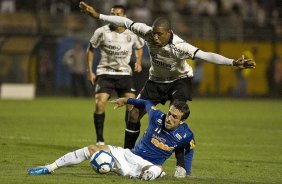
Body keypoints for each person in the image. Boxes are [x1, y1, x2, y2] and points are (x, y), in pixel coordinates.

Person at [79, 1, 256, 149]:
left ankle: (181, 162)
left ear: (169, 33)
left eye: (159, 34)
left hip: (179, 80)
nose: (155, 37)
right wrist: (98, 16)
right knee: (133, 115)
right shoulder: (147, 32)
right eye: (154, 33)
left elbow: (206, 55)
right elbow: (124, 22)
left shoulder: (180, 46)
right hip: (155, 81)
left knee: (175, 114)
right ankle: (127, 155)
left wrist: (233, 62)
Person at [28, 98, 195, 180]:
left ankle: (147, 176)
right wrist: (127, 100)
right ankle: (49, 167)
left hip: (146, 165)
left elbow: (189, 149)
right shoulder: (157, 116)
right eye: (169, 113)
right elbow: (145, 103)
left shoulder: (186, 135)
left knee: (157, 168)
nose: (169, 118)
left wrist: (185, 170)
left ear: (182, 121)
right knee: (93, 148)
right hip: (129, 155)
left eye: (174, 117)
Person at [86, 5, 145, 145]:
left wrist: (138, 61)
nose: (114, 17)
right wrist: (90, 71)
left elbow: (140, 47)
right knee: (100, 103)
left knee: (131, 105)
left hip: (125, 73)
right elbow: (90, 49)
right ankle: (100, 140)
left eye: (118, 14)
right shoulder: (101, 32)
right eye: (112, 14)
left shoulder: (132, 33)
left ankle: (128, 138)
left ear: (124, 17)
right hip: (105, 72)